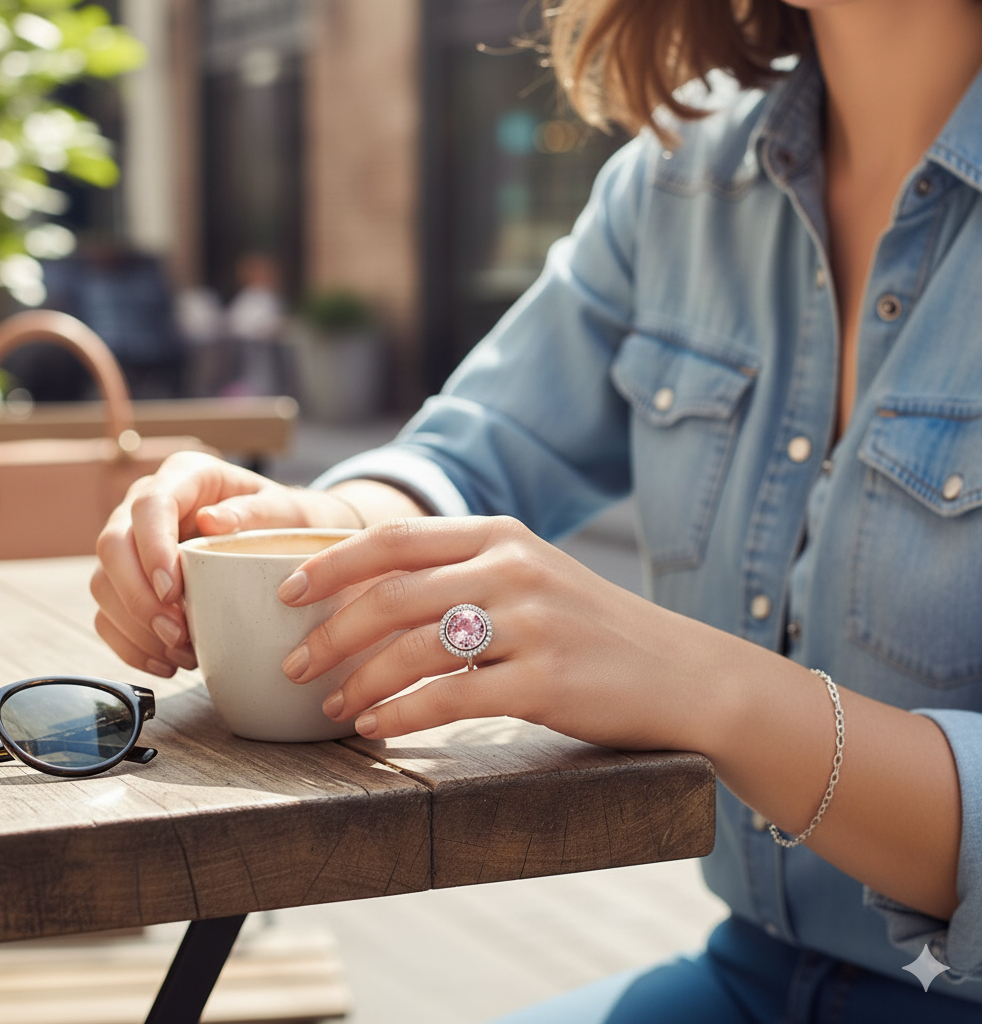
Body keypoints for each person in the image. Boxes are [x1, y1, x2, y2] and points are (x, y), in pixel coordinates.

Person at [91, 1, 982, 1019]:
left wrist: (707, 689)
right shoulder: (680, 176)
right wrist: (301, 533)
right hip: (751, 974)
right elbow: (480, 449)